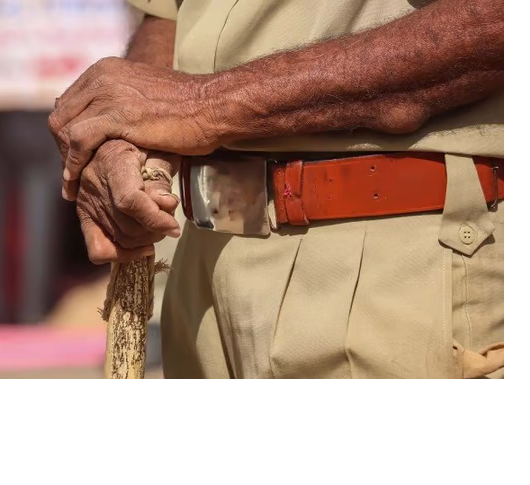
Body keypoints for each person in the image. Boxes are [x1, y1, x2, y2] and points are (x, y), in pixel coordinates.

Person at [48, 0, 503, 378]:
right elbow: (167, 15)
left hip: (395, 259)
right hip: (203, 266)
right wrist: (126, 135)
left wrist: (203, 105)